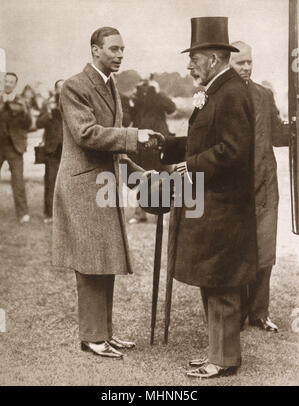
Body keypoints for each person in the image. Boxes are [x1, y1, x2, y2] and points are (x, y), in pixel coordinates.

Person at [52, 26, 160, 359]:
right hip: (82, 187)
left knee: (105, 261)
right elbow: (87, 134)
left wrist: (140, 175)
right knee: (90, 264)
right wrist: (134, 135)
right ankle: (92, 337)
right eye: (113, 49)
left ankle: (105, 334)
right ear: (95, 50)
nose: (119, 54)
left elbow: (112, 150)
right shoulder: (74, 86)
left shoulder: (110, 86)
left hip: (102, 187)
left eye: (122, 49)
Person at [160, 17, 257, 378]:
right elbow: (206, 141)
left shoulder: (230, 92)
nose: (189, 66)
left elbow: (233, 150)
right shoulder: (218, 90)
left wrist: (190, 167)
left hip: (225, 208)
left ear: (213, 59)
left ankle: (225, 359)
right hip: (215, 206)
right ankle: (218, 353)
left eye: (194, 59)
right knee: (213, 281)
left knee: (223, 284)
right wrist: (168, 145)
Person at [230, 41, 289, 333]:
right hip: (234, 189)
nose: (247, 67)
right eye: (241, 62)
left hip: (265, 185)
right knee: (237, 252)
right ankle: (235, 313)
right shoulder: (220, 96)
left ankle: (259, 312)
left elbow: (279, 135)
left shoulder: (264, 95)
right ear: (229, 63)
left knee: (265, 251)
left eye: (249, 62)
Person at [128, 77, 176, 223]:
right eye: (143, 80)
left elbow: (171, 108)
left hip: (160, 138)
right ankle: (139, 213)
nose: (145, 84)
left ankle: (159, 213)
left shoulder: (158, 94)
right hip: (142, 140)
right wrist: (133, 97)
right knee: (141, 174)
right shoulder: (137, 95)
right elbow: (129, 116)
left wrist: (158, 91)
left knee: (163, 174)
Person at [0, 72, 32, 223]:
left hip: (14, 147)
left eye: (11, 82)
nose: (7, 84)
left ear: (15, 84)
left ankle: (23, 214)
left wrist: (21, 112)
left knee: (18, 181)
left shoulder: (21, 101)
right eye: (5, 81)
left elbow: (28, 124)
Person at [36, 80, 64, 223]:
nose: (61, 90)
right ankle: (49, 214)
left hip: (67, 149)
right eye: (59, 87)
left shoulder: (72, 103)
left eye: (64, 87)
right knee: (51, 181)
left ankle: (64, 215)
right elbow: (38, 123)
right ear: (55, 90)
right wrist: (48, 112)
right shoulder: (47, 104)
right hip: (52, 148)